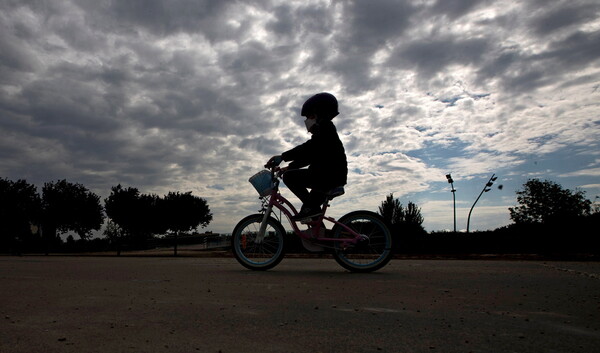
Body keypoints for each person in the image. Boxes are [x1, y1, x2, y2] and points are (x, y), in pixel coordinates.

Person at [266, 92, 348, 222]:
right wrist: (289, 166)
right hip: (330, 176)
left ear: (318, 113)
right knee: (310, 213)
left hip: (329, 176)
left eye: (309, 116)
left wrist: (283, 157)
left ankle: (312, 210)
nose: (307, 121)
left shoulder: (325, 127)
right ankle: (318, 231)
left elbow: (309, 148)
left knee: (290, 178)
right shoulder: (325, 131)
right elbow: (311, 156)